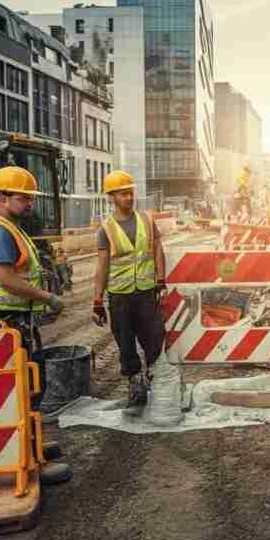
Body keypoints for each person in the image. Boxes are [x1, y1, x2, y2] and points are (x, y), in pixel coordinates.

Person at [0, 166, 70, 483]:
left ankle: (32, 445)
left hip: (14, 323)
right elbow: (5, 278)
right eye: (23, 198)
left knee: (29, 387)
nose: (29, 204)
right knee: (20, 392)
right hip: (4, 325)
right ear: (2, 198)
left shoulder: (10, 228)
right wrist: (46, 296)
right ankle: (29, 462)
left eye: (29, 198)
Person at [92, 170, 166, 412]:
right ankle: (135, 386)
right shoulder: (106, 229)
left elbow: (157, 249)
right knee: (125, 344)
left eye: (131, 192)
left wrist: (161, 279)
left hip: (145, 292)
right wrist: (97, 300)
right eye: (124, 193)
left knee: (154, 340)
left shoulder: (146, 219)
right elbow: (102, 266)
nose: (129, 197)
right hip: (120, 296)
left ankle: (158, 384)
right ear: (112, 197)